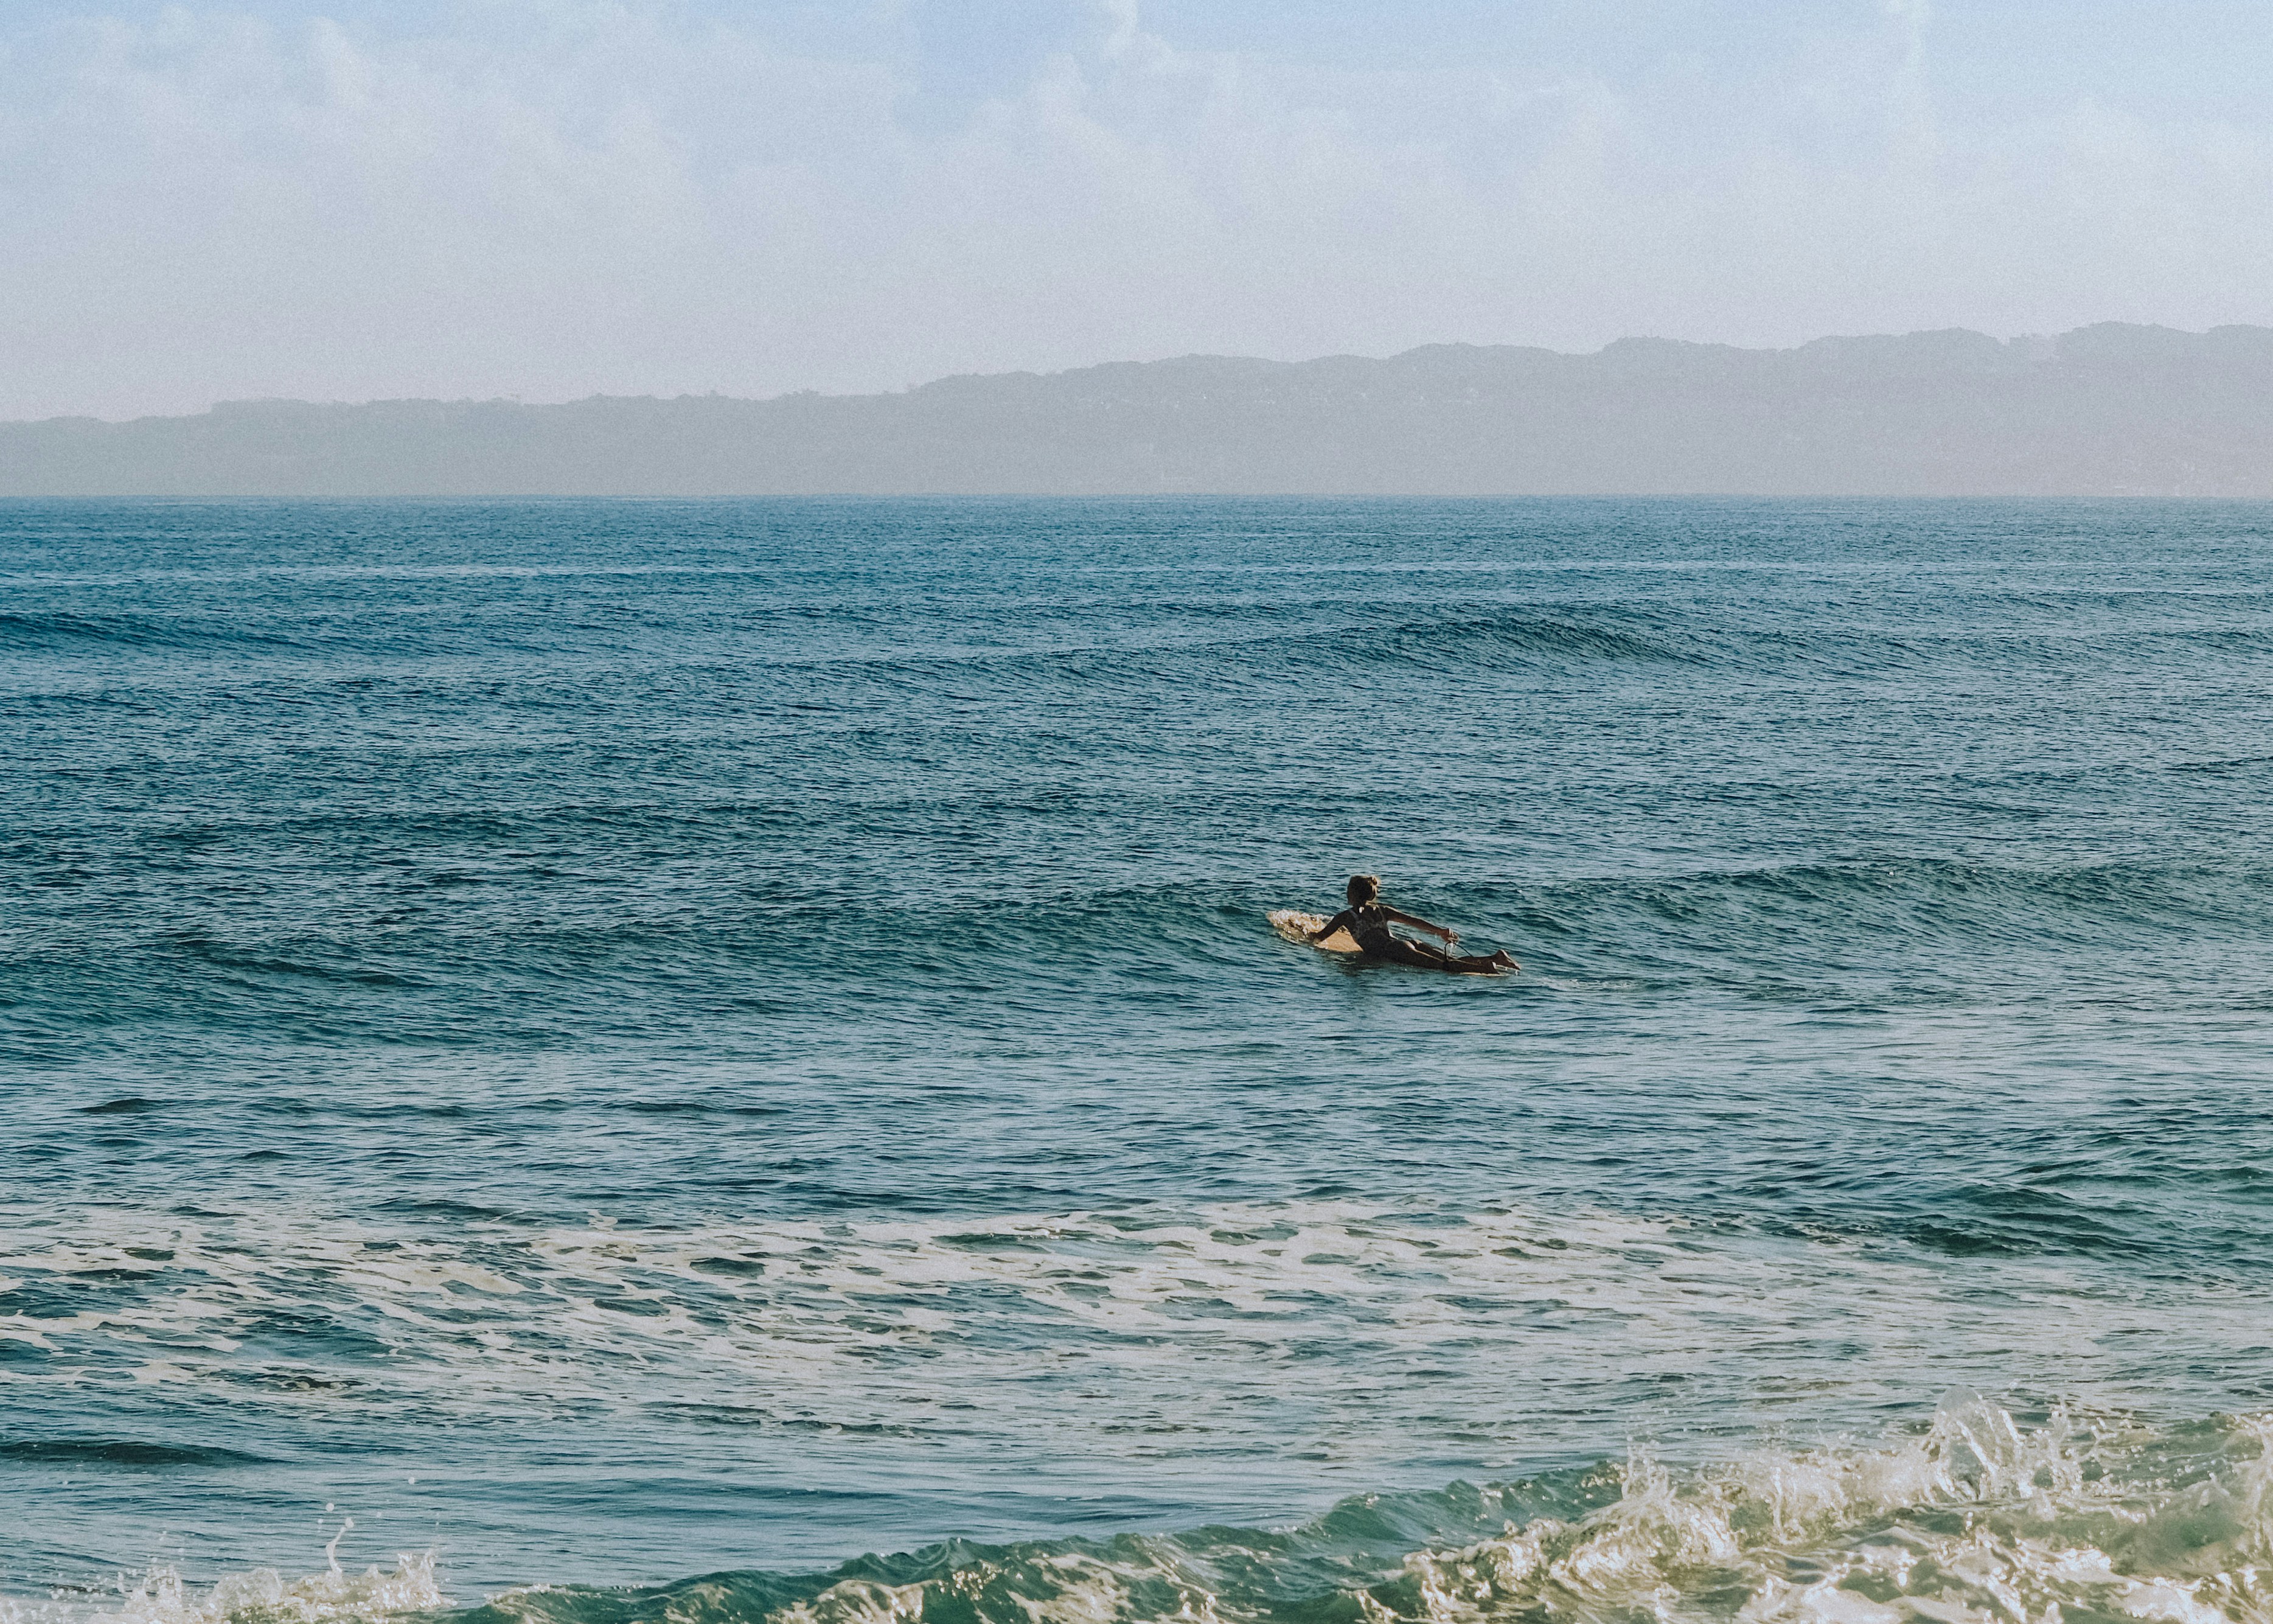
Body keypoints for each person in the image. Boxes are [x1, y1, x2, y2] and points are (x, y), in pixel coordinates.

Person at [1312, 874, 1517, 974]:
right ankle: (1494, 958)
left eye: (1348, 890)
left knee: (1444, 966)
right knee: (1449, 960)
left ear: (1354, 894)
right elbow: (1414, 922)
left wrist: (1299, 930)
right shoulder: (1382, 910)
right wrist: (1440, 931)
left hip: (1395, 950)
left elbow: (1320, 937)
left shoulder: (1346, 917)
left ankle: (1487, 969)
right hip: (1409, 943)